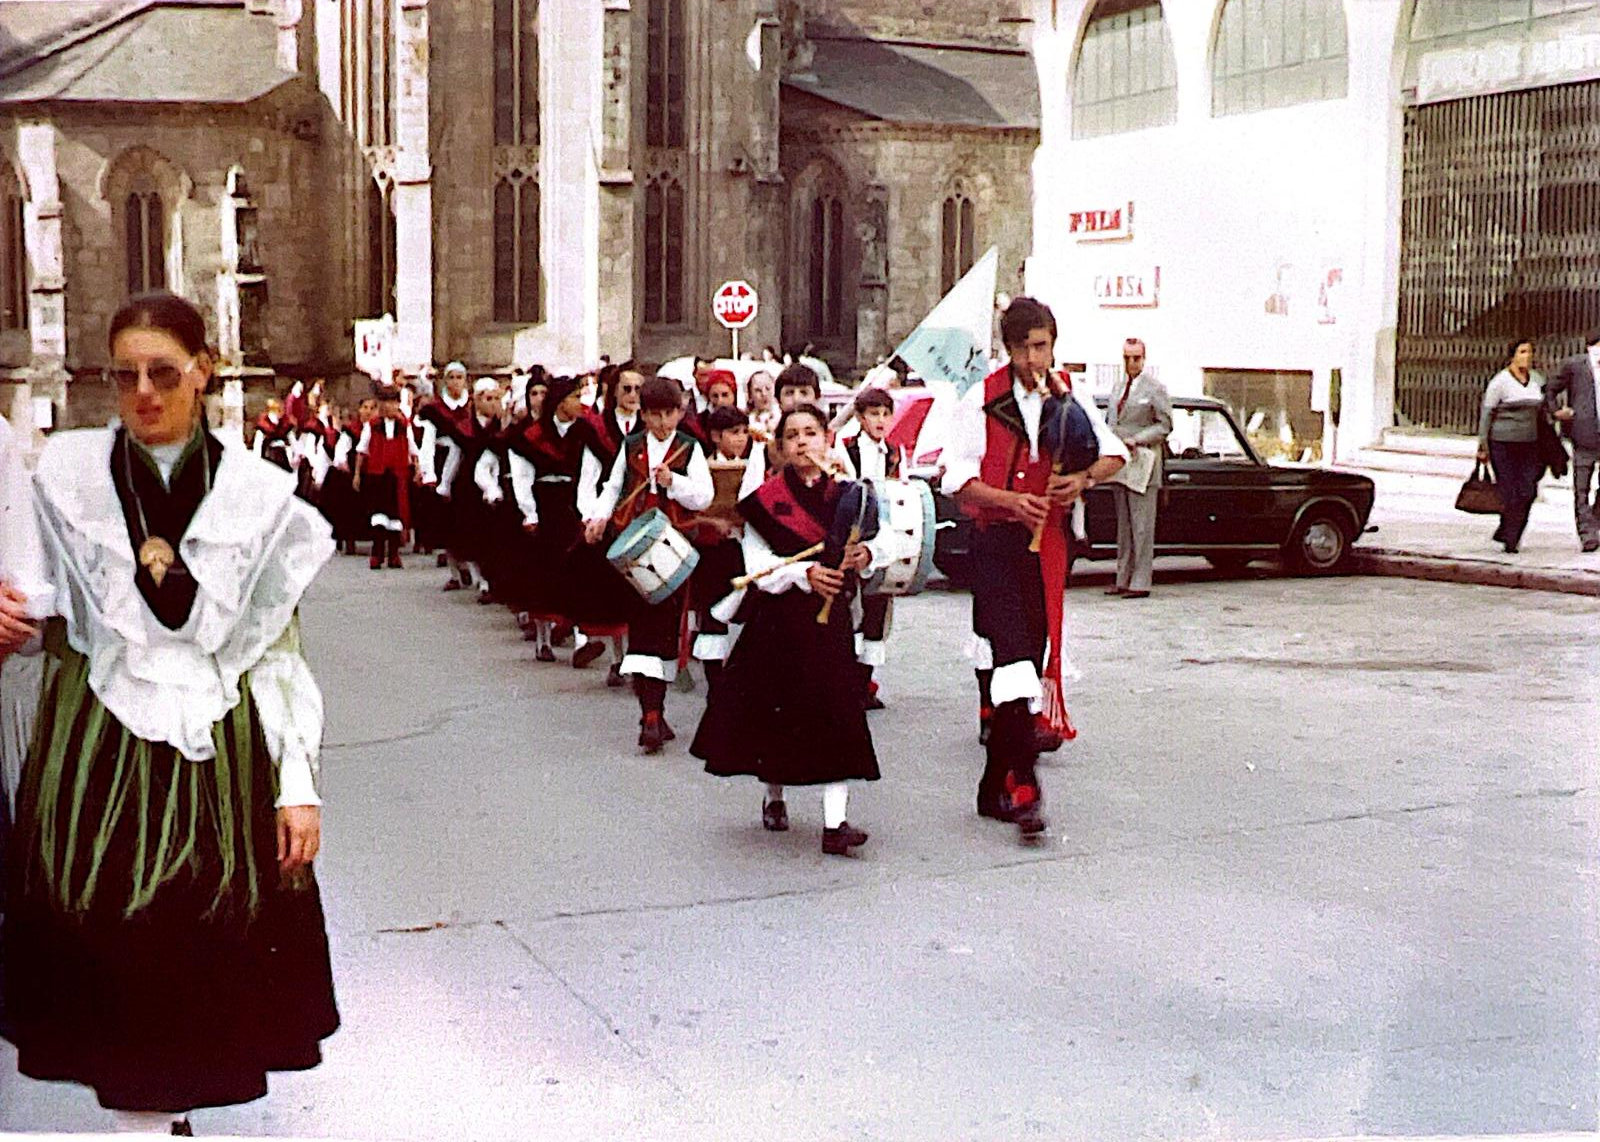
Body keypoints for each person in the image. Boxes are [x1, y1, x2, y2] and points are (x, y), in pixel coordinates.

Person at [0, 291, 338, 1134]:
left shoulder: (258, 497)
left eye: (162, 373)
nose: (143, 393)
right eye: (125, 377)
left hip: (213, 754)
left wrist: (296, 782)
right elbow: (38, 603)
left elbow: (276, 648)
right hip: (95, 748)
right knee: (113, 945)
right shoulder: (64, 477)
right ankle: (145, 1125)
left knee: (197, 941)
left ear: (203, 374)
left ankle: (167, 1115)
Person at [941, 296, 1126, 842]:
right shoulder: (980, 396)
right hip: (997, 543)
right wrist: (1007, 501)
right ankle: (1023, 785)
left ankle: (992, 785)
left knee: (1028, 660)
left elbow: (1115, 452)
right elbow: (955, 479)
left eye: (1041, 346)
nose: (1032, 359)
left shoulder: (1067, 394)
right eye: (1023, 348)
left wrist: (1083, 480)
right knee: (1015, 663)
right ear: (1008, 347)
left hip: (1046, 551)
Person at [692, 405, 881, 857]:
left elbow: (882, 539)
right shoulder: (766, 501)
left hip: (830, 621)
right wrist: (806, 575)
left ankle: (835, 824)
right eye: (792, 435)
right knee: (779, 716)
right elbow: (758, 567)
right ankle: (773, 795)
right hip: (780, 621)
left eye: (811, 433)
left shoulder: (850, 494)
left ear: (826, 440)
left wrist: (865, 556)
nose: (802, 442)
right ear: (779, 448)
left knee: (837, 710)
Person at [582, 376, 713, 754]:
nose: (661, 422)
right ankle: (651, 714)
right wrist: (599, 518)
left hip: (674, 544)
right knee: (642, 625)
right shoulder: (631, 446)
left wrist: (674, 482)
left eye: (669, 414)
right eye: (654, 415)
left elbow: (703, 496)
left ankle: (654, 710)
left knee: (665, 626)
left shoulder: (690, 449)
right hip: (636, 542)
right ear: (643, 414)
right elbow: (613, 487)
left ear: (680, 411)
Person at [839, 386, 904, 708]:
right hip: (855, 532)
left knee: (877, 607)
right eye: (873, 414)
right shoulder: (847, 448)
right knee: (851, 607)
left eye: (885, 414)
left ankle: (865, 681)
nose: (880, 420)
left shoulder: (895, 452)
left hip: (883, 537)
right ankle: (848, 680)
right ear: (861, 418)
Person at [1104, 337, 1172, 598]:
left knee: (1142, 525)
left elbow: (1164, 425)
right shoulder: (1118, 386)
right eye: (1127, 358)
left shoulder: (1154, 388)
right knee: (1124, 524)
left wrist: (1139, 438)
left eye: (1136, 358)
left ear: (1144, 359)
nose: (1131, 363)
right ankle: (1123, 577)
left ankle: (1141, 581)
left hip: (1143, 461)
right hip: (1121, 462)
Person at [1477, 338, 1549, 554]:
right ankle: (1511, 538)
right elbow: (1487, 413)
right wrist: (1482, 445)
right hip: (1503, 443)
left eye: (1529, 352)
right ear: (1512, 355)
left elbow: (1545, 408)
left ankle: (1507, 529)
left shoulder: (1537, 380)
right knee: (1510, 491)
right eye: (1522, 352)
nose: (1527, 356)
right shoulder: (1500, 382)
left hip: (1530, 444)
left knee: (1527, 490)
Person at [417, 361, 475, 589]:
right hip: (443, 462)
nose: (455, 382)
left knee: (467, 519)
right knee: (447, 520)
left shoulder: (471, 407)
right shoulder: (435, 410)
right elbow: (428, 444)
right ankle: (454, 571)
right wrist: (429, 473)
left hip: (468, 464)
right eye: (451, 378)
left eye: (459, 378)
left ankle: (472, 567)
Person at [1544, 327, 1600, 553]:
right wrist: (1557, 411)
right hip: (1583, 434)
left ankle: (1594, 518)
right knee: (1581, 488)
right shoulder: (1575, 366)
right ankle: (1587, 533)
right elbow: (1549, 389)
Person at [354, 383, 415, 570]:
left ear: (398, 404)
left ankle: (394, 554)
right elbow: (362, 450)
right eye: (385, 402)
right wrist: (357, 474)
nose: (389, 406)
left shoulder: (404, 425)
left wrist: (418, 469)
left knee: (396, 515)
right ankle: (377, 553)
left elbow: (412, 449)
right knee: (378, 515)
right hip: (377, 474)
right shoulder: (372, 426)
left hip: (397, 474)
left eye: (393, 402)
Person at [250, 395, 295, 471]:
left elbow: (292, 442)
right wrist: (256, 464)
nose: (280, 414)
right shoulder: (263, 425)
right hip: (268, 459)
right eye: (278, 411)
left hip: (284, 459)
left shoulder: (284, 424)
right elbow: (258, 446)